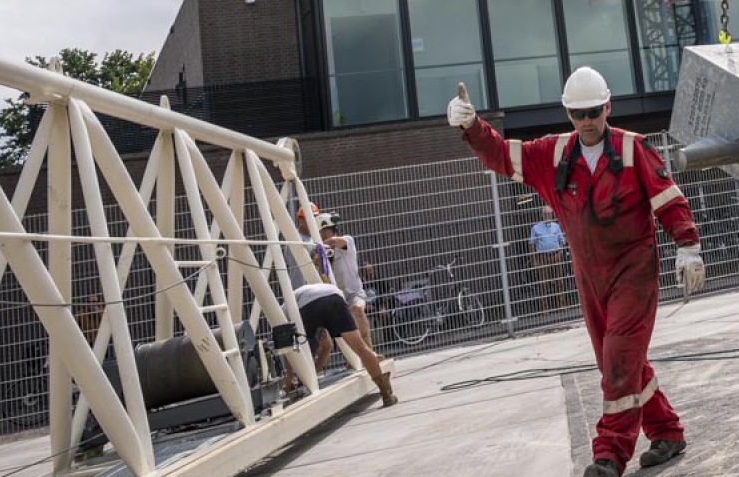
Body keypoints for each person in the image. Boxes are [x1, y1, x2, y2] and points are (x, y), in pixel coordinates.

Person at [449, 68, 705, 477]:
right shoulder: (551, 155)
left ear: (608, 106)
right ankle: (667, 431)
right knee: (618, 363)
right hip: (590, 275)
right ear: (567, 113)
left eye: (593, 111)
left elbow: (667, 197)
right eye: (577, 113)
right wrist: (472, 126)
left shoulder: (631, 148)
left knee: (619, 359)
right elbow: (500, 155)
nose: (587, 121)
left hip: (633, 271)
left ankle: (609, 455)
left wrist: (687, 245)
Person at [283, 280, 397, 407]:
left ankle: (301, 385)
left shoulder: (284, 308)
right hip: (334, 298)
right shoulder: (321, 288)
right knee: (361, 348)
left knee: (299, 350)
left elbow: (290, 349)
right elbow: (328, 347)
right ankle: (386, 392)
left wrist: (288, 382)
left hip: (308, 306)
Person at [318, 214, 375, 353]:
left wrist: (321, 246)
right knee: (347, 331)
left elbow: (334, 241)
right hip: (338, 297)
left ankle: (371, 351)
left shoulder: (346, 241)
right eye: (322, 232)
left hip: (355, 291)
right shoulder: (323, 253)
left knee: (358, 310)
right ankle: (358, 356)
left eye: (327, 231)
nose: (325, 235)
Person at [528, 205, 567, 314]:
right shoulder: (535, 228)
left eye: (549, 214)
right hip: (542, 258)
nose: (547, 216)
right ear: (542, 215)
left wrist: (560, 251)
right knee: (543, 283)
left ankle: (562, 306)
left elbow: (562, 240)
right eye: (545, 214)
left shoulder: (556, 226)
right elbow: (531, 244)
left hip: (555, 256)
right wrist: (534, 259)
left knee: (559, 281)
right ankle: (544, 309)